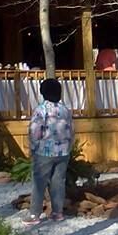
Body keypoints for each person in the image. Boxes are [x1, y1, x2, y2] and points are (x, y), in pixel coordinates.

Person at [24, 78, 73, 224]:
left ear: (43, 92)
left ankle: (34, 215)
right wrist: (69, 146)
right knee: (58, 182)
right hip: (63, 151)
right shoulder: (65, 110)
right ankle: (57, 212)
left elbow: (35, 131)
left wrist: (33, 146)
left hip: (44, 152)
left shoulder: (41, 110)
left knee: (39, 183)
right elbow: (71, 130)